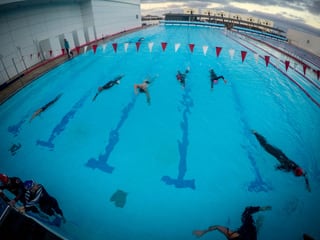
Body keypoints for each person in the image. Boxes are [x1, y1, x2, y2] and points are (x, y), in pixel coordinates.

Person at [193, 206, 271, 240]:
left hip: (249, 232)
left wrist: (204, 231)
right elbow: (217, 226)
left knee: (254, 230)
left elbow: (217, 227)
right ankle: (260, 211)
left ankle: (258, 225)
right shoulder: (233, 236)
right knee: (246, 212)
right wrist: (204, 232)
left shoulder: (233, 237)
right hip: (248, 229)